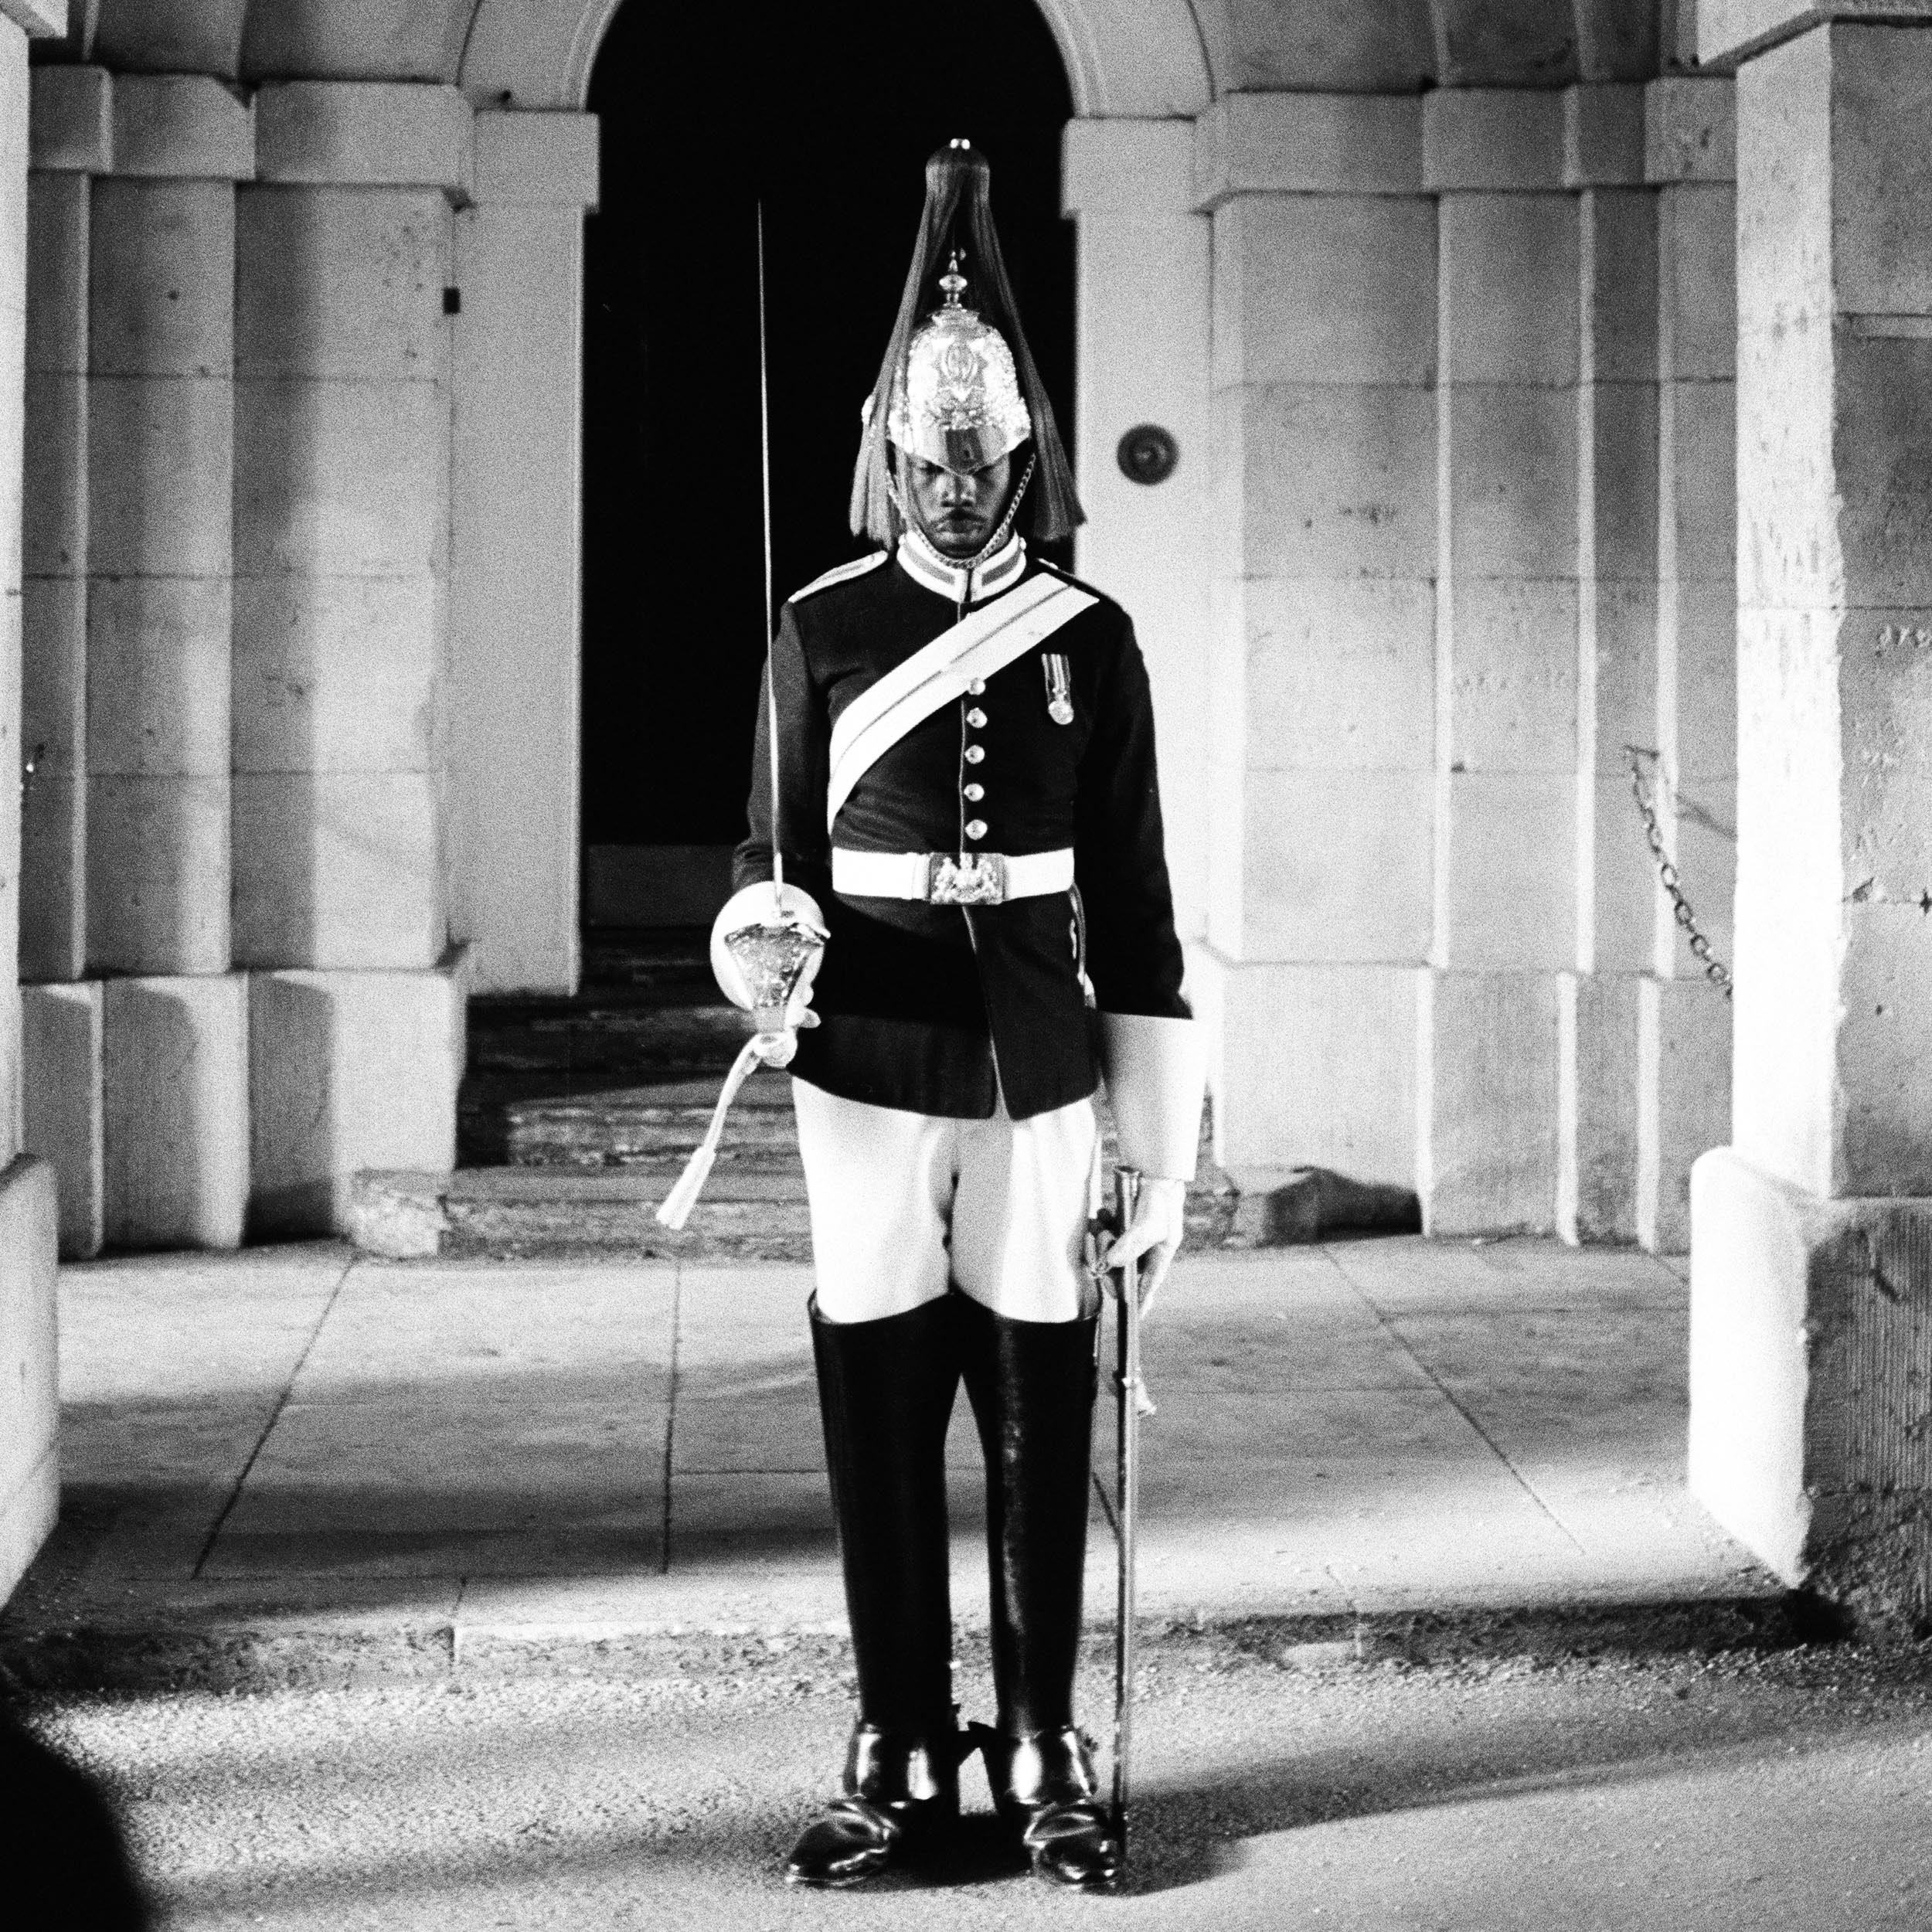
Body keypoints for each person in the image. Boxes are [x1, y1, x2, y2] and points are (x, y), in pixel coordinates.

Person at [707, 138, 1204, 1892]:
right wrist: (756, 943)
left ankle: (1044, 1740)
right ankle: (901, 1743)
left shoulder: (1093, 636)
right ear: (890, 456)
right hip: (864, 1045)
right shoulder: (824, 626)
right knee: (876, 1362)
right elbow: (767, 856)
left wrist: (1158, 1154)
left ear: (1024, 459)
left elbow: (1133, 905)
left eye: (985, 465)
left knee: (1037, 1373)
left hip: (1038, 1049)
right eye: (932, 464)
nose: (959, 492)